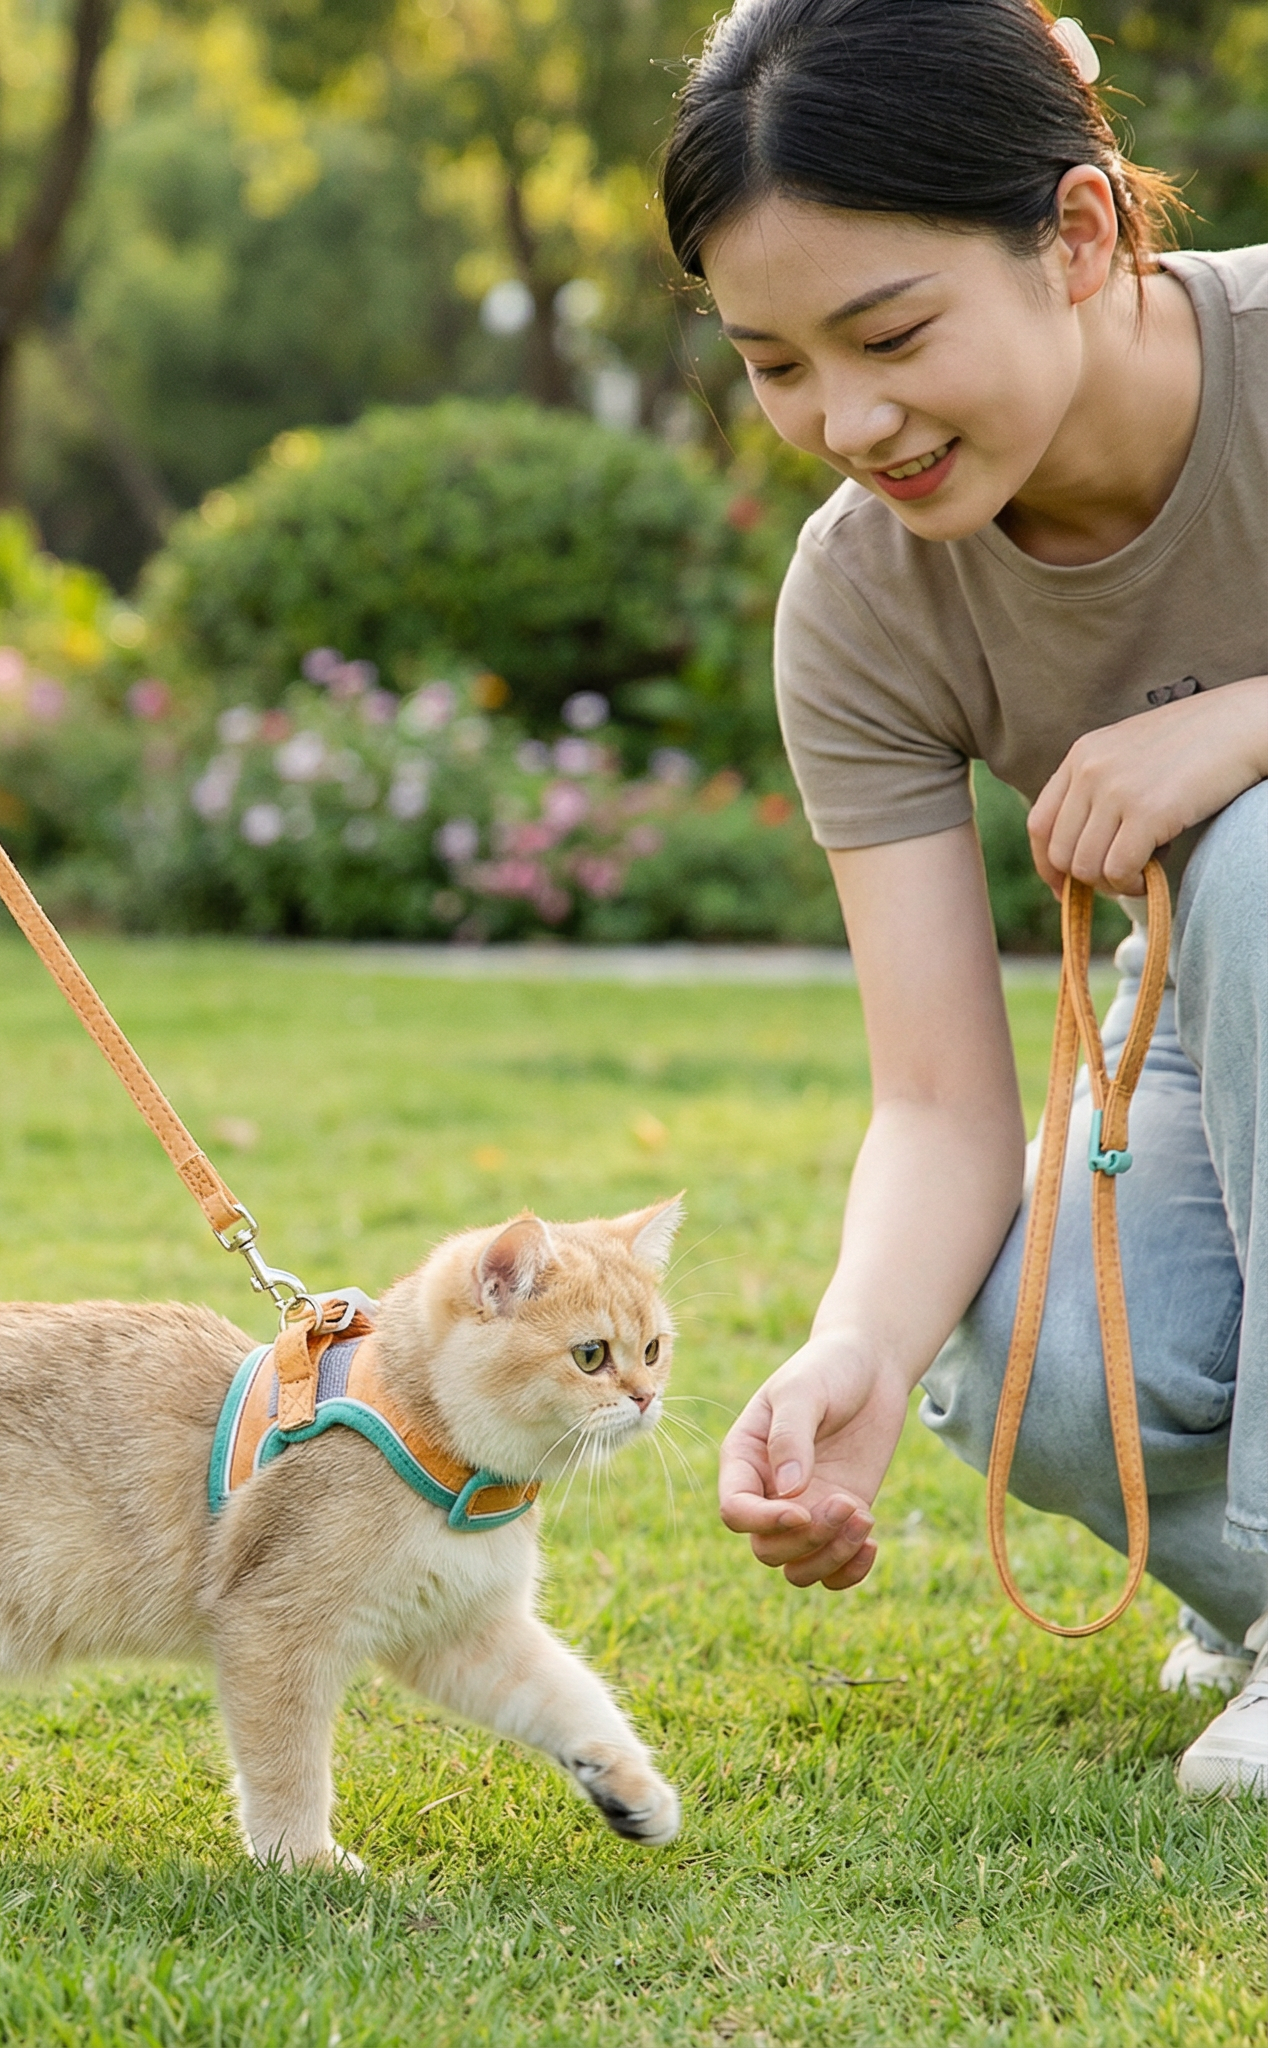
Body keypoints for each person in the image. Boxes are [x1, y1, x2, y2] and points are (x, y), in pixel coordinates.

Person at [661, 0, 1268, 1796]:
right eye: (775, 363)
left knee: (1254, 853)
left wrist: (1242, 725)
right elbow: (937, 1101)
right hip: (1217, 1007)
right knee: (1028, 1358)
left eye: (891, 334)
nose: (848, 419)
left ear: (1077, 235)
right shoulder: (865, 602)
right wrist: (856, 1345)